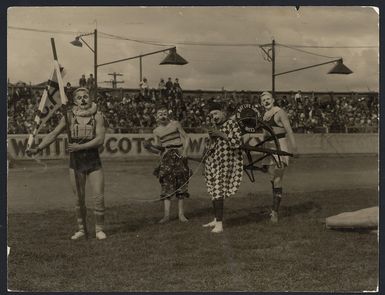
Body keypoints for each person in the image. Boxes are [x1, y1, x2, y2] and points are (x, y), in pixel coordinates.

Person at [26, 87, 107, 240]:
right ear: (74, 101)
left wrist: (80, 146)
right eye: (79, 97)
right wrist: (38, 148)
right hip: (76, 162)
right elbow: (53, 134)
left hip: (93, 159)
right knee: (79, 198)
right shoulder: (68, 116)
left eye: (85, 96)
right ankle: (82, 230)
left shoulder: (98, 116)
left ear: (90, 98)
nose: (83, 99)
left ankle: (99, 229)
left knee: (98, 197)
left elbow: (100, 139)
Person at [202, 102, 243, 233]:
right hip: (213, 161)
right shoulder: (214, 126)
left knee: (219, 189)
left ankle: (219, 224)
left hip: (226, 161)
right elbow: (211, 144)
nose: (214, 116)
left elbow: (237, 142)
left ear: (222, 113)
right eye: (211, 115)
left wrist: (219, 134)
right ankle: (216, 219)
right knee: (213, 190)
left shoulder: (232, 124)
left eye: (216, 113)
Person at [145, 106, 190, 223]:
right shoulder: (156, 131)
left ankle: (181, 214)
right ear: (156, 118)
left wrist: (185, 151)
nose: (163, 116)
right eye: (160, 114)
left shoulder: (175, 124)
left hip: (179, 155)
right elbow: (159, 149)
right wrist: (149, 147)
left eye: (164, 113)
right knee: (166, 185)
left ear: (168, 114)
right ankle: (166, 216)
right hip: (166, 159)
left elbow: (186, 138)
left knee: (181, 184)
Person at [260, 91, 297, 223]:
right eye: (263, 100)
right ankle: (273, 209)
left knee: (277, 178)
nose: (266, 101)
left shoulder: (279, 112)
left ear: (273, 100)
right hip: (269, 148)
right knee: (273, 178)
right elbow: (264, 136)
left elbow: (289, 130)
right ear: (261, 103)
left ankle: (275, 213)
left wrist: (294, 148)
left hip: (280, 146)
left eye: (268, 99)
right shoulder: (264, 116)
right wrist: (263, 155)